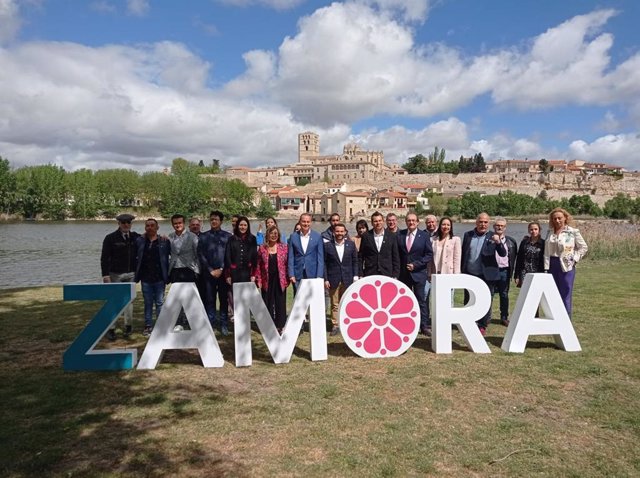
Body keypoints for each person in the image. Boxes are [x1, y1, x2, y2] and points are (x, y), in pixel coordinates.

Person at [461, 212, 506, 335]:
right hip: (470, 273)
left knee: (486, 301)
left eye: (486, 222)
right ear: (476, 222)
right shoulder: (468, 235)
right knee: (468, 299)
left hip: (487, 275)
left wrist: (498, 242)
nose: (483, 224)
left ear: (489, 223)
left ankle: (482, 325)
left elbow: (503, 254)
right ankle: (469, 323)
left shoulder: (493, 236)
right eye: (480, 221)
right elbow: (464, 254)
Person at [100, 213, 140, 340]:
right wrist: (105, 275)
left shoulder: (135, 237)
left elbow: (150, 238)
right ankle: (111, 329)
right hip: (114, 274)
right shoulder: (110, 238)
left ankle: (128, 326)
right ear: (119, 224)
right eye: (123, 223)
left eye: (128, 223)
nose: (126, 225)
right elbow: (104, 258)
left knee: (129, 301)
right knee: (113, 301)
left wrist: (162, 237)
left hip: (131, 274)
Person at [544, 208, 588, 317]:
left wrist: (575, 258)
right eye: (554, 218)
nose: (557, 220)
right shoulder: (549, 232)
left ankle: (566, 320)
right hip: (551, 265)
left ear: (565, 218)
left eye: (559, 218)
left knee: (566, 294)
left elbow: (583, 247)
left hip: (566, 266)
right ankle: (555, 319)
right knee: (553, 293)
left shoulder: (572, 232)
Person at [397, 212, 433, 335]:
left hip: (418, 274)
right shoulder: (400, 235)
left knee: (420, 301)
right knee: (403, 301)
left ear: (417, 222)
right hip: (403, 275)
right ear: (406, 222)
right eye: (409, 220)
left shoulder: (424, 236)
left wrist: (416, 264)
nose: (411, 222)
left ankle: (424, 326)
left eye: (413, 220)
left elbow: (429, 254)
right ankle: (405, 325)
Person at [198, 210, 232, 336]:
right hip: (209, 274)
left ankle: (223, 324)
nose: (213, 221)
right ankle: (210, 324)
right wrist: (210, 270)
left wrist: (222, 269)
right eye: (211, 219)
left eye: (216, 219)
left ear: (221, 221)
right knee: (209, 299)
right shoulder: (204, 236)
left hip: (223, 274)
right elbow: (200, 255)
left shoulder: (227, 237)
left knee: (224, 300)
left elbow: (229, 255)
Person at [135, 218, 170, 337]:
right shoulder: (140, 240)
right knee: (148, 303)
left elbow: (172, 255)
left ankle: (160, 326)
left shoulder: (164, 241)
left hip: (159, 278)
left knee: (160, 302)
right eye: (147, 226)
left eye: (152, 225)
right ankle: (148, 325)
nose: (150, 227)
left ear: (157, 227)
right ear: (145, 228)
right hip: (145, 278)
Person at [324, 223, 359, 336]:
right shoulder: (328, 246)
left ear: (345, 232)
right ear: (334, 233)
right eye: (337, 231)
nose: (339, 233)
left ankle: (347, 323)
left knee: (347, 302)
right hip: (333, 278)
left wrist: (355, 276)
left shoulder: (351, 244)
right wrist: (326, 279)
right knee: (335, 304)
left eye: (341, 231)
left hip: (348, 278)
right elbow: (324, 263)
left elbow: (355, 261)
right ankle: (335, 325)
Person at [428, 216, 462, 334]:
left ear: (451, 227)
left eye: (448, 225)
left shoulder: (455, 239)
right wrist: (429, 273)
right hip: (435, 274)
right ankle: (436, 322)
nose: (445, 227)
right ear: (439, 226)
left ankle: (448, 323)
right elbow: (430, 259)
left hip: (449, 273)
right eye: (443, 224)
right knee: (436, 299)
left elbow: (457, 258)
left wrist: (456, 275)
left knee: (449, 299)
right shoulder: (433, 239)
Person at [168, 214, 200, 331]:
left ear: (184, 223)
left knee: (191, 297)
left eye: (180, 223)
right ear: (172, 224)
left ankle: (193, 321)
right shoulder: (170, 237)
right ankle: (179, 322)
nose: (178, 225)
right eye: (175, 223)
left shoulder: (192, 236)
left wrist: (197, 270)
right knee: (177, 298)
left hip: (189, 269)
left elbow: (197, 255)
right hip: (175, 270)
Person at [256, 226, 289, 334]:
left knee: (280, 303)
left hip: (280, 279)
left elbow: (288, 264)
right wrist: (259, 280)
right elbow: (258, 266)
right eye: (272, 233)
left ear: (278, 235)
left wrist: (287, 279)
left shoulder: (284, 247)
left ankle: (280, 326)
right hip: (267, 279)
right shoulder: (262, 248)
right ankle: (268, 326)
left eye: (276, 233)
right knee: (267, 302)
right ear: (268, 235)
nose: (274, 235)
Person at [490, 217, 518, 327]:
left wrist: (514, 274)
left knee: (504, 294)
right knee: (490, 294)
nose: (499, 227)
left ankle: (504, 317)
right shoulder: (488, 239)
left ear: (505, 227)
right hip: (491, 270)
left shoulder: (511, 241)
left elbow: (514, 258)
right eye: (497, 225)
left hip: (504, 271)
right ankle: (487, 317)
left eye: (502, 226)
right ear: (494, 227)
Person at [288, 213, 325, 295]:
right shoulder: (293, 237)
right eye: (304, 221)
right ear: (300, 222)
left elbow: (320, 257)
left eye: (308, 222)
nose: (306, 224)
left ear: (311, 222)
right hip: (298, 273)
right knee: (298, 299)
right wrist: (291, 274)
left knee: (312, 300)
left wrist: (319, 275)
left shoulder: (317, 236)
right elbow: (291, 257)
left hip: (313, 273)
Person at [359, 211, 400, 278]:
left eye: (380, 220)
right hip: (370, 273)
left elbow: (395, 258)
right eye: (375, 221)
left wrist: (395, 275)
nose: (378, 223)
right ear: (372, 223)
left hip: (387, 274)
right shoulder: (366, 236)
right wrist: (360, 274)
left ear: (383, 221)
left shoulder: (391, 236)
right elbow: (361, 257)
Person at [225, 216, 258, 285]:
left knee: (247, 295)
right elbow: (227, 257)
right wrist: (228, 275)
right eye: (241, 225)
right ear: (237, 226)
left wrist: (253, 274)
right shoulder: (231, 239)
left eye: (245, 225)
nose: (243, 227)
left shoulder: (252, 239)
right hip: (234, 273)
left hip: (248, 272)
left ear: (248, 226)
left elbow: (255, 257)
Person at [514, 222, 545, 288]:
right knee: (525, 293)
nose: (533, 231)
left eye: (536, 229)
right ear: (528, 230)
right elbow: (519, 259)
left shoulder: (543, 243)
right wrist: (516, 275)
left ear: (539, 230)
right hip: (524, 273)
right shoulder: (524, 243)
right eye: (531, 229)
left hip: (538, 273)